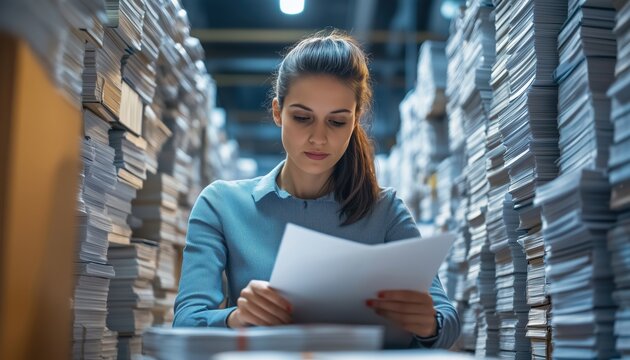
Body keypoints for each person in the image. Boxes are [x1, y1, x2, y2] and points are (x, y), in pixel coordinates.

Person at [173, 30, 460, 349]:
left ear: (355, 120)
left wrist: (428, 323)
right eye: (302, 118)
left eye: (337, 122)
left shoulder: (386, 211)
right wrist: (235, 319)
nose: (318, 138)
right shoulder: (221, 205)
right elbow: (186, 320)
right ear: (277, 112)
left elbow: (446, 319)